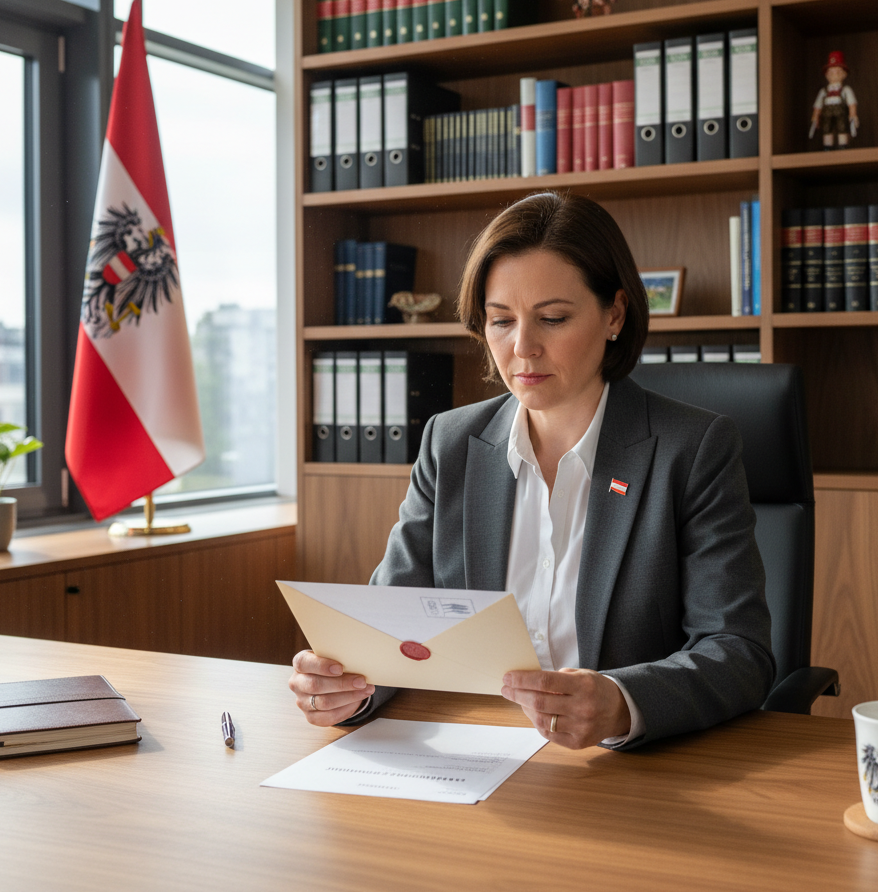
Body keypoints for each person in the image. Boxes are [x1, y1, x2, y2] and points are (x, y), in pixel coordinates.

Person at [289, 191, 774, 750]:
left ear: (614, 314)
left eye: (553, 318)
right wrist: (347, 687)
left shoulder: (692, 449)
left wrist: (622, 702)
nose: (522, 348)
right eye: (501, 321)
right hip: (472, 752)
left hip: (621, 772)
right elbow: (389, 626)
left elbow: (738, 650)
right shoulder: (450, 444)